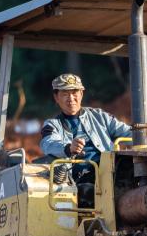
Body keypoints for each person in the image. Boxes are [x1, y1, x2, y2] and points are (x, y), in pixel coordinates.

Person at [39, 73, 131, 206]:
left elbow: (127, 131)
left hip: (110, 170)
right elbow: (48, 143)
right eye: (65, 94)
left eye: (74, 92)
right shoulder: (52, 125)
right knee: (88, 191)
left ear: (81, 94)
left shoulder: (100, 116)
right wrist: (68, 147)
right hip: (80, 177)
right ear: (56, 97)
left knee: (132, 167)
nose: (71, 98)